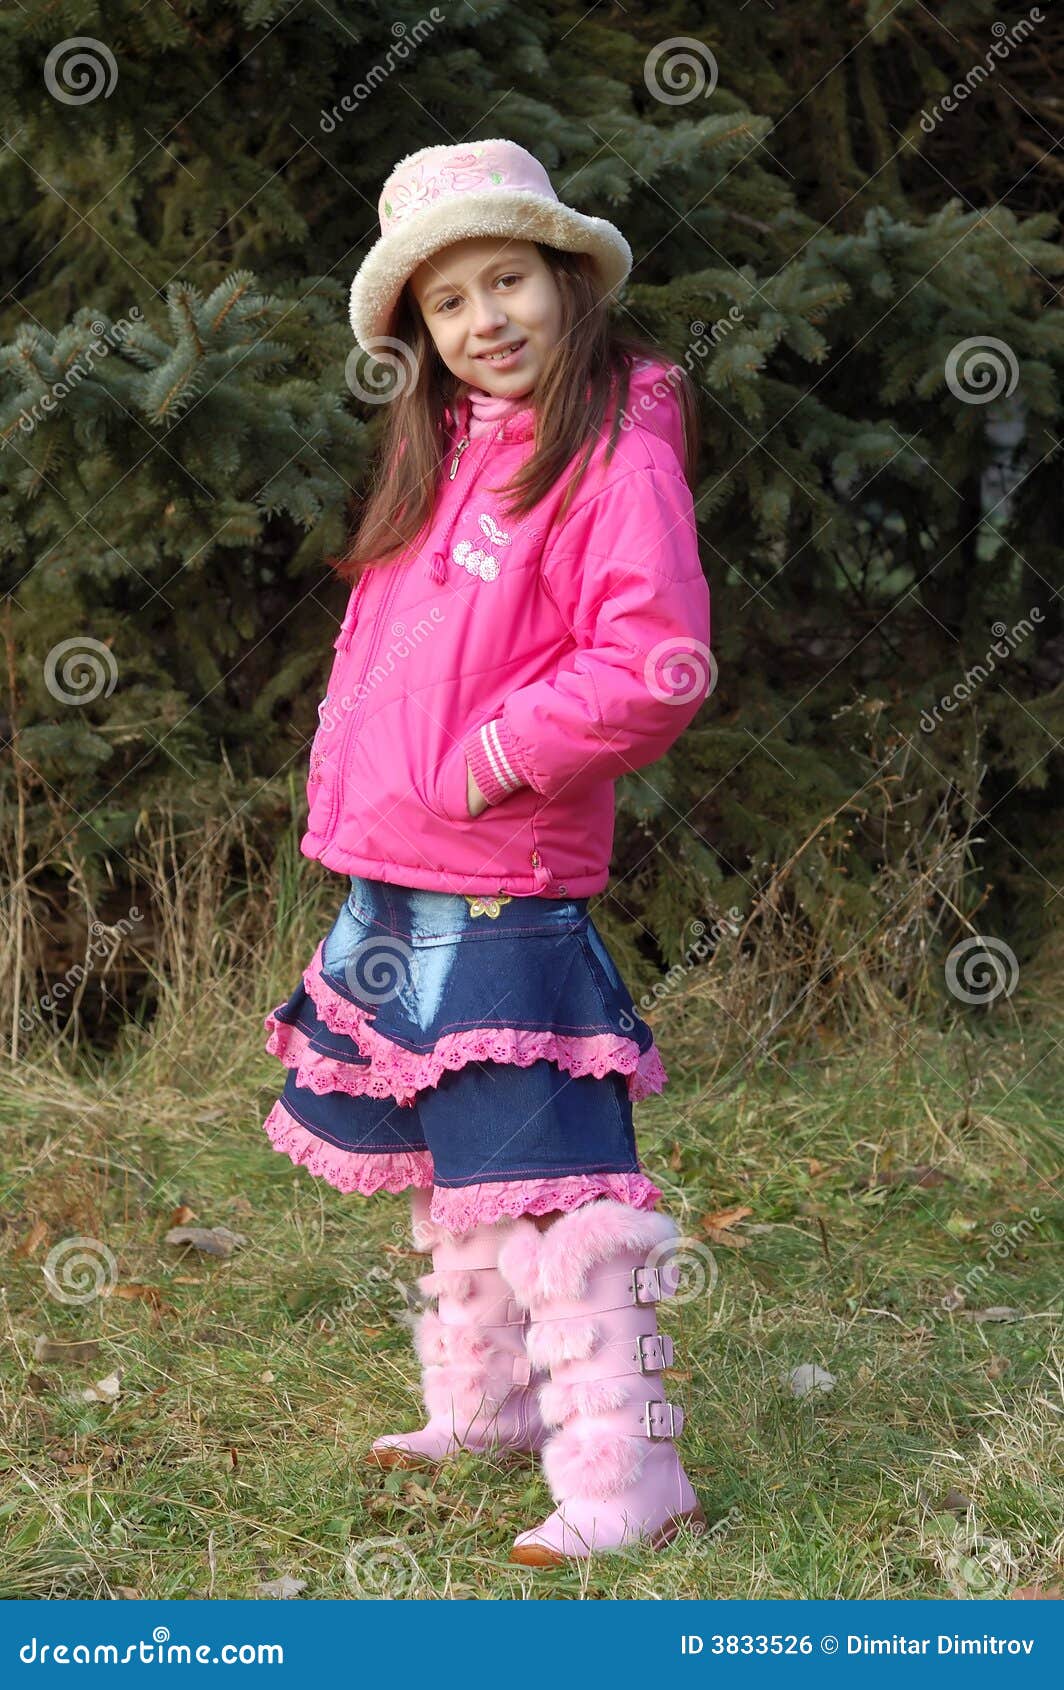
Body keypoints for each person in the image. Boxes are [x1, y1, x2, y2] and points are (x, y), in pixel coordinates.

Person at [260, 139, 712, 1566]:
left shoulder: (611, 460)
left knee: (562, 1194)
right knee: (462, 1180)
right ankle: (491, 1402)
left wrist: (501, 753)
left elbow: (655, 661)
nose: (484, 320)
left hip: (504, 882)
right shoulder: (453, 459)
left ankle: (625, 1471)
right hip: (401, 877)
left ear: (567, 282)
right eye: (449, 303)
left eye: (507, 278)